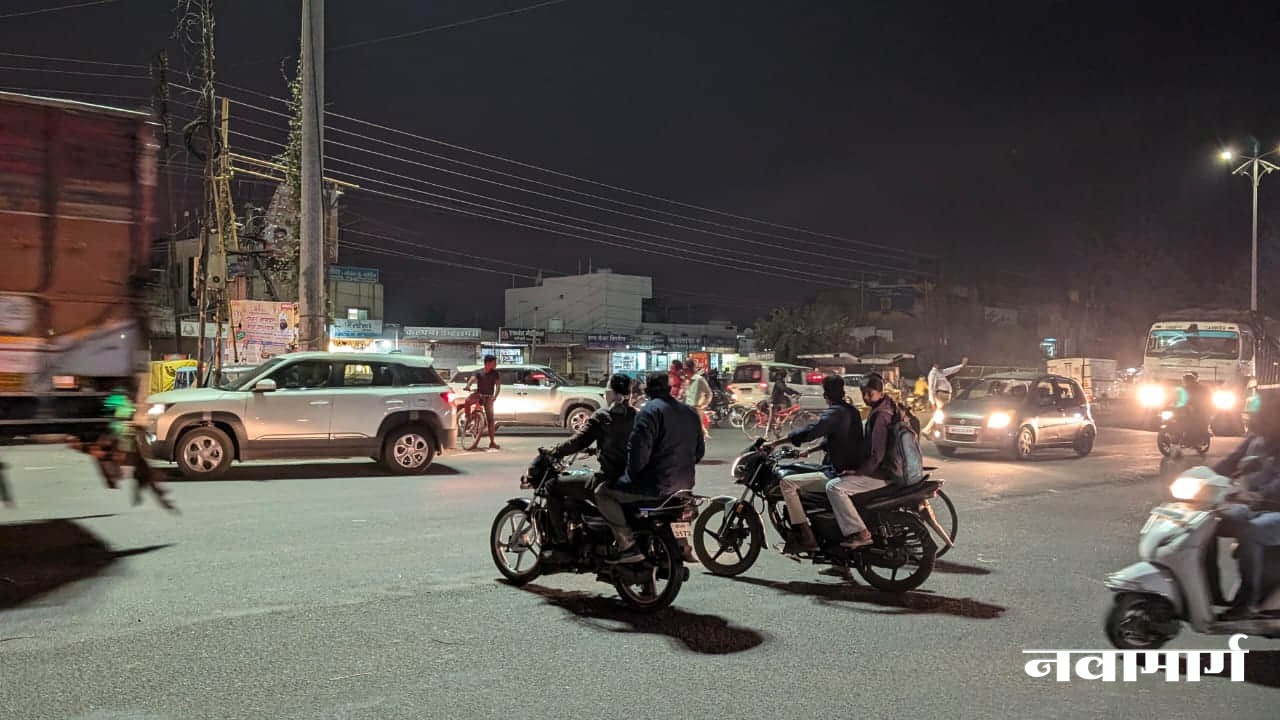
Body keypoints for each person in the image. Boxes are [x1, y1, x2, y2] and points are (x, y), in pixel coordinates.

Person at [594, 372, 704, 563]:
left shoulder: (649, 411)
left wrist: (629, 476)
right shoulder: (690, 412)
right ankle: (682, 543)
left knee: (602, 493)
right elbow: (699, 453)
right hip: (684, 487)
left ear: (647, 390)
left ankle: (627, 545)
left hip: (655, 486)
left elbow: (638, 455)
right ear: (669, 389)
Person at [763, 375, 865, 554]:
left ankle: (806, 537)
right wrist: (809, 451)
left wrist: (775, 443)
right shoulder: (851, 411)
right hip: (846, 467)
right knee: (803, 471)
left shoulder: (835, 413)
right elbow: (836, 439)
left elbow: (811, 431)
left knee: (787, 483)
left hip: (838, 471)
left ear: (826, 395)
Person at [542, 374, 637, 560]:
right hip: (633, 478)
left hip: (609, 478)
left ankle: (561, 543)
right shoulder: (637, 415)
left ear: (610, 393)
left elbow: (578, 442)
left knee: (552, 486)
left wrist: (555, 451)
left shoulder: (602, 416)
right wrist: (598, 450)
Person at [1215, 390, 1280, 620]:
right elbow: (1229, 462)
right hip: (1257, 507)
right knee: (1209, 523)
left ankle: (1247, 603)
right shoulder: (1255, 438)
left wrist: (1260, 495)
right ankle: (1209, 593)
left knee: (1251, 532)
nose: (1255, 415)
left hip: (1273, 508)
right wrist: (1201, 477)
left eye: (1263, 411)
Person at [827, 374, 898, 548]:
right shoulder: (885, 407)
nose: (866, 397)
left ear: (881, 393)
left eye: (870, 393)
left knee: (834, 488)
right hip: (885, 470)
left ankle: (861, 533)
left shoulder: (881, 416)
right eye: (863, 393)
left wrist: (858, 472)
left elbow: (877, 455)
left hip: (881, 473)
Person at [463, 355, 502, 451]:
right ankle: (468, 418)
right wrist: (468, 386)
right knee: (467, 401)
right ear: (488, 363)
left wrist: (495, 396)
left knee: (490, 420)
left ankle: (492, 442)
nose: (495, 364)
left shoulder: (495, 373)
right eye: (494, 362)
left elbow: (498, 386)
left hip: (488, 397)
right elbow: (472, 379)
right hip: (479, 394)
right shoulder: (478, 372)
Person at [921, 356, 968, 435]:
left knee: (942, 413)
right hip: (941, 395)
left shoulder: (939, 372)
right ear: (936, 364)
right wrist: (932, 402)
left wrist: (961, 365)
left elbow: (950, 370)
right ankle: (927, 430)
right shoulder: (933, 373)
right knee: (940, 413)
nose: (943, 365)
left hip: (945, 395)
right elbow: (931, 388)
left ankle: (930, 430)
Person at [685, 367, 713, 439]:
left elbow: (709, 393)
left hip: (697, 407)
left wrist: (704, 404)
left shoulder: (699, 380)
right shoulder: (686, 380)